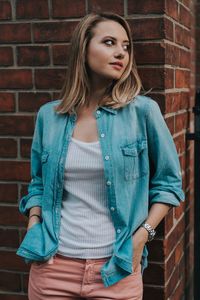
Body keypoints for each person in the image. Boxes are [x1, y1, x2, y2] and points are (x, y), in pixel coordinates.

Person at [16, 12, 185, 300]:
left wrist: (142, 236)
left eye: (126, 46)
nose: (121, 52)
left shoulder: (142, 112)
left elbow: (169, 185)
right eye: (109, 42)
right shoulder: (49, 115)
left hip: (117, 268)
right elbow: (39, 183)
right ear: (83, 49)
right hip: (52, 265)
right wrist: (34, 221)